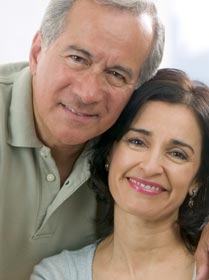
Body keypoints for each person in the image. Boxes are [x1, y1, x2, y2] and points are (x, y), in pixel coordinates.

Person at [0, 0, 165, 279]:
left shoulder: (132, 152)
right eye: (78, 59)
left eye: (116, 74)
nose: (88, 93)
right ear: (38, 52)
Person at [30, 68, 209, 280]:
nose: (151, 167)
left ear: (198, 178)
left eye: (177, 154)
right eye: (137, 142)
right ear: (109, 153)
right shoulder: (57, 274)